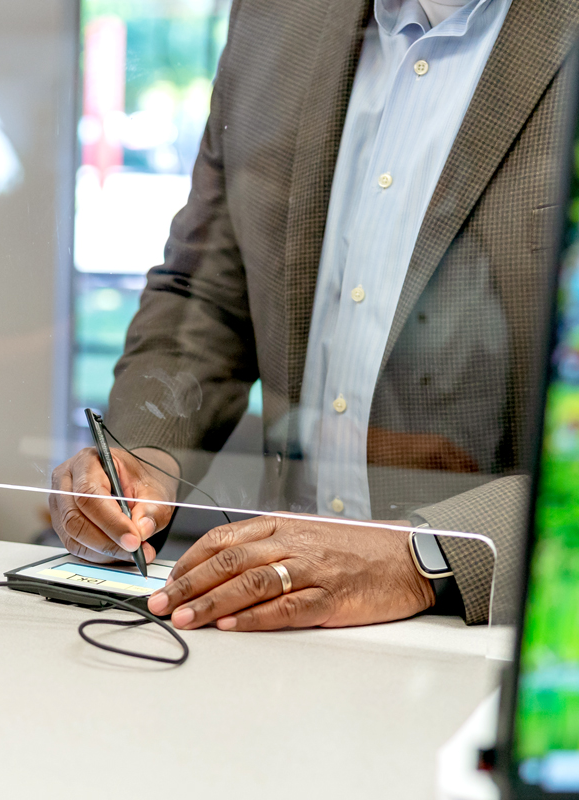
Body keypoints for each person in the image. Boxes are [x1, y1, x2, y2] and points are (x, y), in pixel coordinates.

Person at [50, 0, 579, 630]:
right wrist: (142, 457)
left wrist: (423, 556)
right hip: (273, 623)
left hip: (507, 641)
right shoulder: (278, 16)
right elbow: (206, 295)